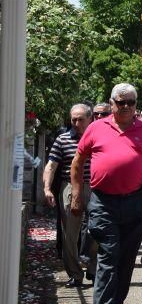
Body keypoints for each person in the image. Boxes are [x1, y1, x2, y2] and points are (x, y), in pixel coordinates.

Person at [70, 83, 142, 304]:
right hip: (103, 201)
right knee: (109, 252)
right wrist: (77, 194)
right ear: (112, 103)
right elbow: (77, 163)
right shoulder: (97, 128)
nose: (126, 106)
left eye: (130, 102)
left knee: (127, 257)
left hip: (135, 201)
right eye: (121, 102)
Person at [42, 103, 96, 287]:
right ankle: (75, 273)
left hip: (96, 187)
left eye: (80, 119)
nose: (76, 122)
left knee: (98, 229)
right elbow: (51, 165)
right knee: (69, 234)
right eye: (73, 119)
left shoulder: (98, 138)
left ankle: (93, 268)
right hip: (70, 186)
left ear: (90, 118)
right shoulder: (62, 139)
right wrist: (47, 188)